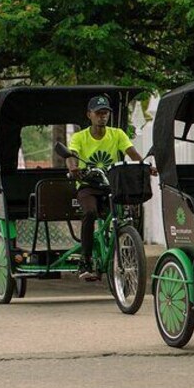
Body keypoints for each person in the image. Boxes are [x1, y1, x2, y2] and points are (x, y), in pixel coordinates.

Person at [67, 94, 155, 281]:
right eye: (98, 113)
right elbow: (71, 154)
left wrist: (145, 167)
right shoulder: (79, 137)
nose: (102, 116)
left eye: (105, 113)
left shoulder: (117, 134)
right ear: (89, 115)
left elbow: (132, 153)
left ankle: (122, 247)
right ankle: (85, 260)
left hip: (111, 185)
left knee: (123, 215)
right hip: (87, 186)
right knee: (90, 213)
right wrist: (73, 168)